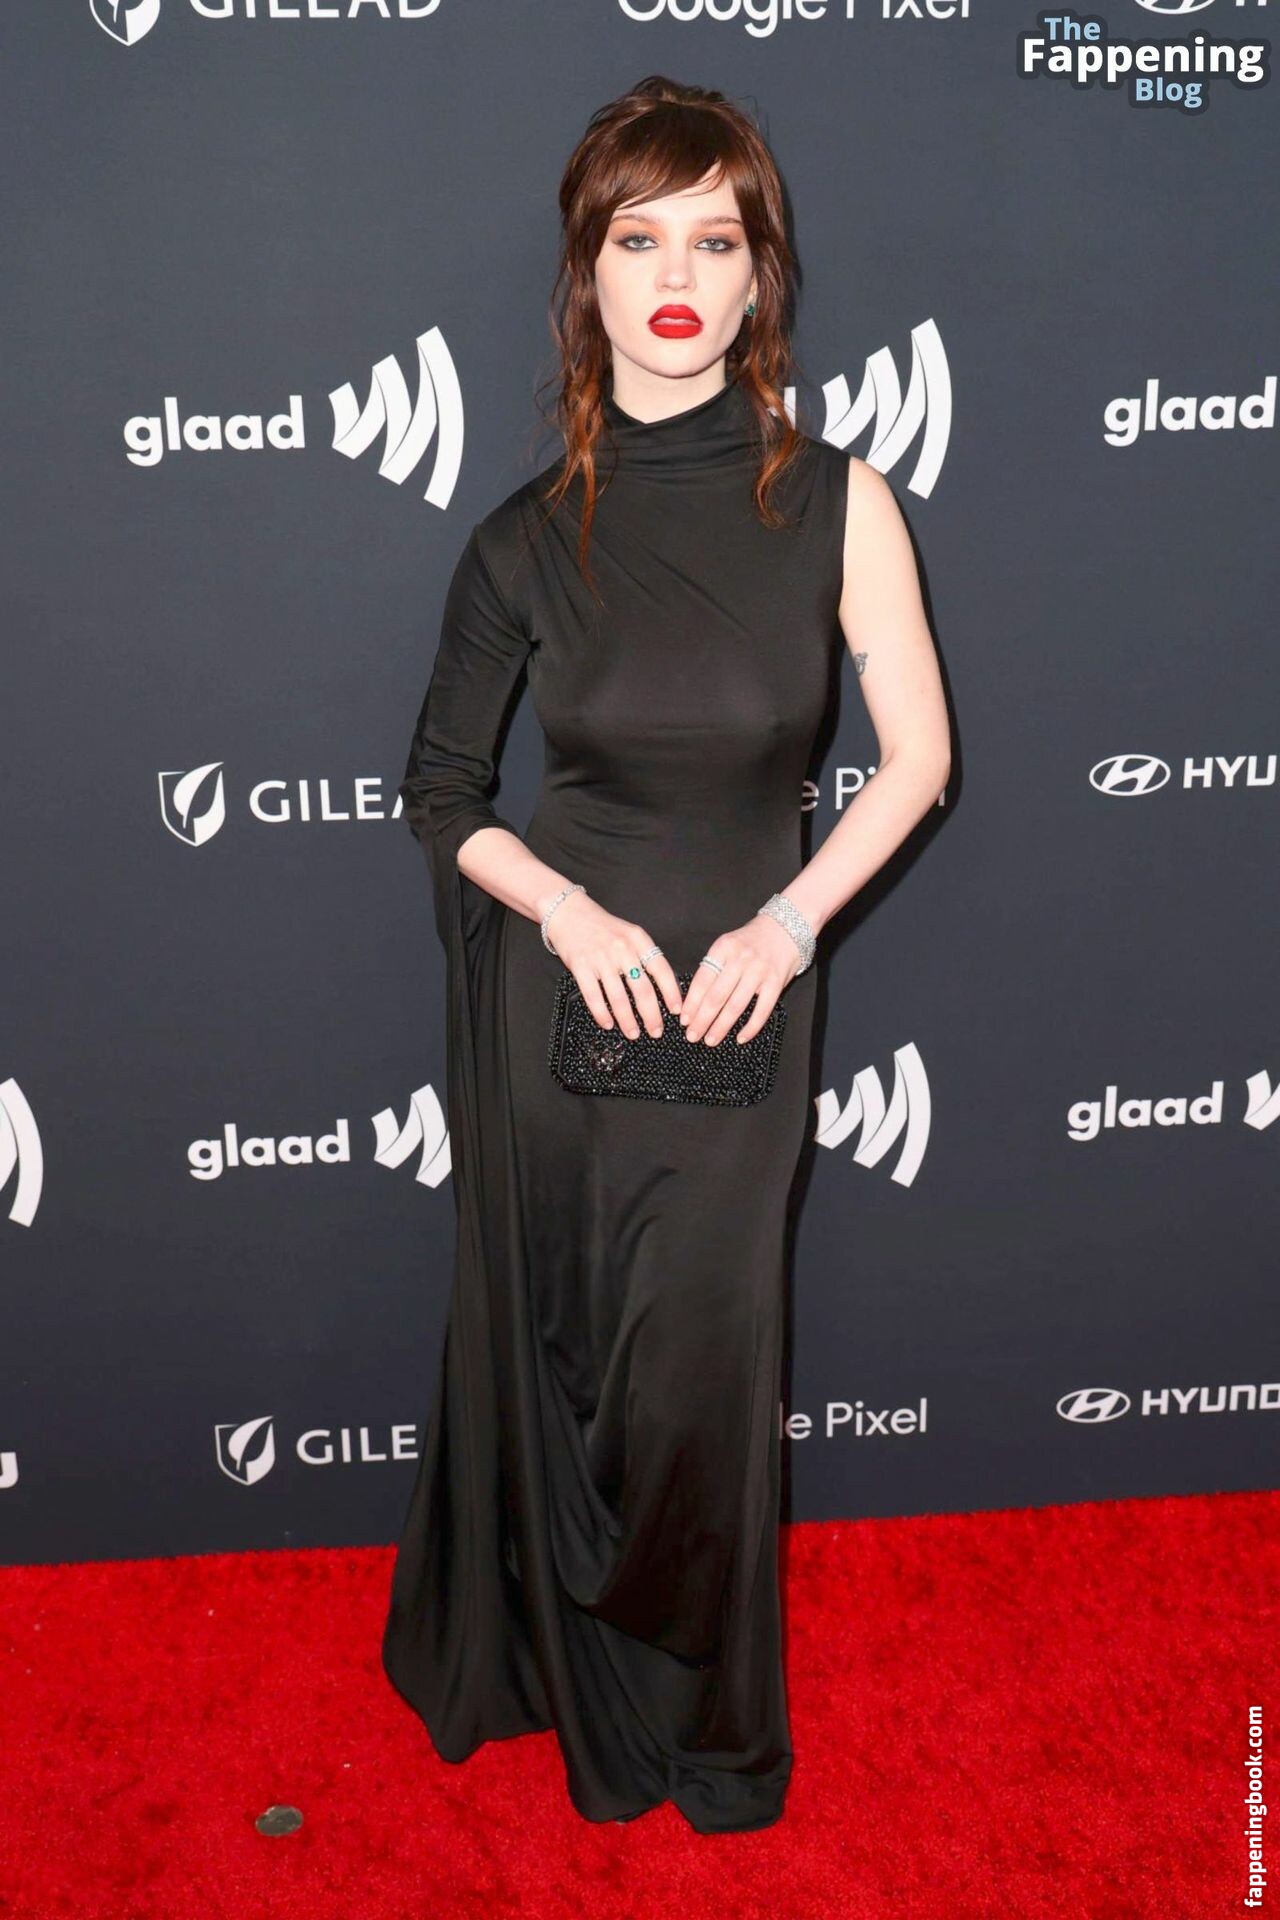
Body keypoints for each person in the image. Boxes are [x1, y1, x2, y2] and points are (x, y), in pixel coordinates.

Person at [381, 74, 950, 1835]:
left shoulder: (842, 502)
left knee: (704, 1373)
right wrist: (561, 908)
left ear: (762, 272)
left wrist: (789, 922)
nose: (679, 276)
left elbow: (917, 759)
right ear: (589, 273)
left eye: (716, 239)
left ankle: (702, 1721)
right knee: (569, 1355)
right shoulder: (521, 538)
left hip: (746, 999)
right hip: (565, 1006)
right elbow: (441, 790)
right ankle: (574, 1683)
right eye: (641, 241)